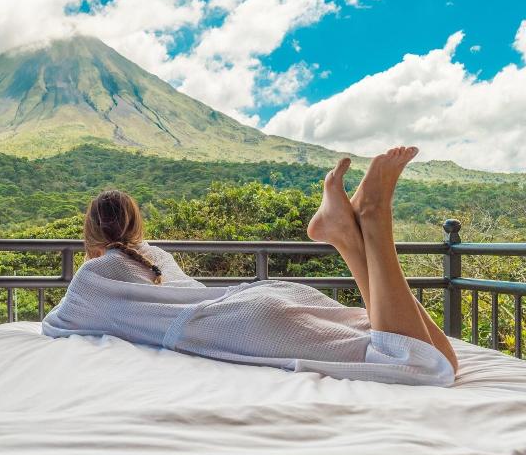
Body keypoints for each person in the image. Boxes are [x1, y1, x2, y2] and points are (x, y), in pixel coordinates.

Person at [43, 147, 458, 385]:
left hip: (246, 324)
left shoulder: (91, 280)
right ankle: (347, 237)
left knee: (416, 364)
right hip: (260, 296)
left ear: (90, 235)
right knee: (442, 360)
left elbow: (53, 325)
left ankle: (371, 218)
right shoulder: (154, 257)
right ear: (137, 225)